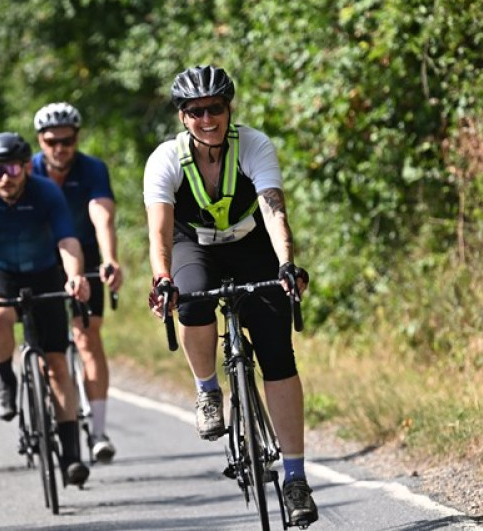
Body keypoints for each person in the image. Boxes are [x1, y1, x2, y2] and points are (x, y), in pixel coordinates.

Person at [143, 65, 318, 527]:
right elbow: (159, 231)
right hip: (192, 244)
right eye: (196, 111)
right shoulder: (165, 159)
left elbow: (272, 206)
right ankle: (207, 391)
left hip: (250, 244)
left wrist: (285, 264)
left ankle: (296, 479)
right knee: (194, 299)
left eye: (215, 108)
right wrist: (162, 278)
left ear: (229, 109)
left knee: (278, 355)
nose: (207, 118)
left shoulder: (254, 145)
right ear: (183, 117)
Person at [0, 132, 92, 486]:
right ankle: (5, 379)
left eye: (14, 167)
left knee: (58, 366)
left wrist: (75, 275)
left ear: (27, 168)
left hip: (44, 271)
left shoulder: (47, 191)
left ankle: (72, 455)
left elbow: (67, 239)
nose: (6, 176)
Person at [31, 102, 123, 463]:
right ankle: (52, 407)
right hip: (40, 257)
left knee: (88, 335)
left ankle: (98, 431)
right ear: (40, 141)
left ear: (77, 138)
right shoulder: (28, 169)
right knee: (45, 345)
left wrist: (110, 258)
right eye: (52, 141)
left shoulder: (92, 169)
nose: (59, 148)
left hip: (84, 252)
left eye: (67, 140)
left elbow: (102, 215)